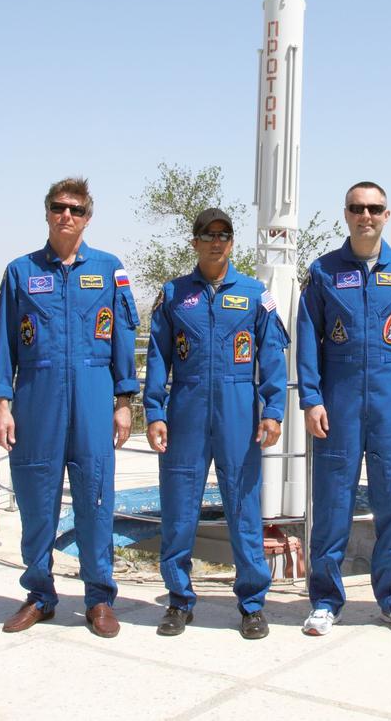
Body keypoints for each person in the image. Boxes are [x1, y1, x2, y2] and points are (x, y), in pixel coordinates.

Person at [0, 177, 140, 639]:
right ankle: (39, 595)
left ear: (88, 216)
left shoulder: (109, 269)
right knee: (36, 502)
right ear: (47, 213)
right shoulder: (20, 271)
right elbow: (3, 345)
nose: (66, 216)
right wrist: (1, 404)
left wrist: (124, 401)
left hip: (94, 394)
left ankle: (99, 599)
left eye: (75, 209)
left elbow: (123, 339)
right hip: (37, 396)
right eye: (58, 207)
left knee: (95, 499)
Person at [295, 181, 391, 637]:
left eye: (374, 208)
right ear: (346, 214)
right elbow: (307, 341)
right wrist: (311, 398)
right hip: (338, 402)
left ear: (387, 215)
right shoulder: (323, 272)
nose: (366, 216)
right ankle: (325, 599)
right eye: (357, 208)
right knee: (332, 503)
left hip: (390, 404)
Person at [143, 208, 289, 640]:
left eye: (224, 235)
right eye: (207, 235)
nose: (216, 241)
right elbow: (156, 357)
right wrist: (154, 411)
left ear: (232, 242)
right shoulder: (173, 294)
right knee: (179, 508)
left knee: (244, 508)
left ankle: (251, 603)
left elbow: (273, 356)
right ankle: (179, 600)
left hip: (238, 410)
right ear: (194, 242)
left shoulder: (254, 294)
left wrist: (274, 410)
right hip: (186, 410)